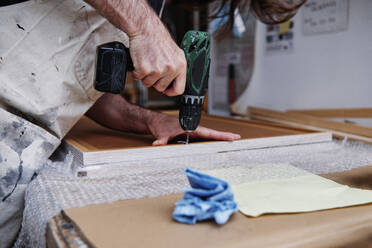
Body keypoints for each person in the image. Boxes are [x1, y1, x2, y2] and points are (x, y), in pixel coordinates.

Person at [0, 0, 305, 246]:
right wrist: (145, 29)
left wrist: (150, 120)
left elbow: (75, 85)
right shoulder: (142, 16)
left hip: (22, 148)